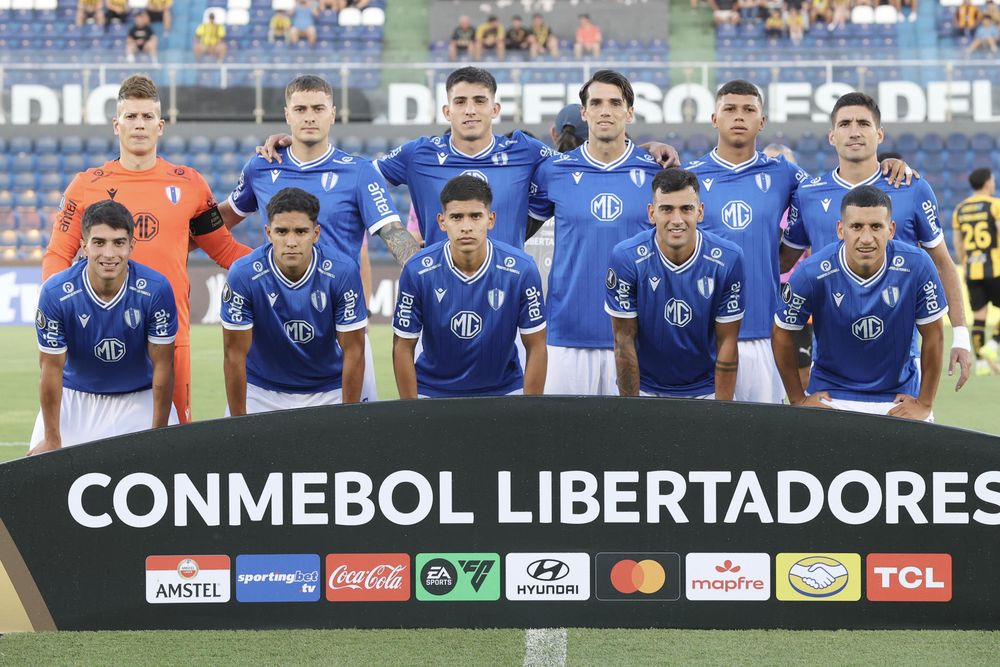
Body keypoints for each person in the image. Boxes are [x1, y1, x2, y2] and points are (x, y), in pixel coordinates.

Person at [684, 80, 913, 404]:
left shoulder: (786, 174)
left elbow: (838, 191)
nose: (739, 116)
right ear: (713, 118)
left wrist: (888, 167)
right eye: (729, 109)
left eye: (749, 110)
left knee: (766, 445)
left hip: (764, 334)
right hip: (703, 333)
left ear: (762, 122)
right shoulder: (689, 177)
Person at [42, 75, 252, 424]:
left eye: (146, 117)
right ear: (116, 125)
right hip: (97, 330)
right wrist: (57, 307)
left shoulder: (190, 184)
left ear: (161, 125)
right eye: (131, 116)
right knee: (89, 442)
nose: (139, 125)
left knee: (172, 445)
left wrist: (276, 264)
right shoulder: (85, 185)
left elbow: (225, 251)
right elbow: (57, 255)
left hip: (170, 334)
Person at [219, 74, 417, 403]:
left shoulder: (358, 172)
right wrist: (180, 230)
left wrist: (433, 270)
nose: (309, 116)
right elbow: (224, 216)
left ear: (333, 113)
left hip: (341, 327)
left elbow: (393, 234)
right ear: (287, 115)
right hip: (276, 325)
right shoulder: (261, 168)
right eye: (300, 109)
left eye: (318, 108)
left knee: (351, 444)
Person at [780, 92, 971, 391]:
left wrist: (961, 334)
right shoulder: (808, 194)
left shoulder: (911, 187)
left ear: (879, 133)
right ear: (831, 136)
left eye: (863, 123)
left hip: (901, 365)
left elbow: (942, 263)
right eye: (844, 124)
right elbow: (780, 263)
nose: (854, 131)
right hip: (830, 364)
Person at [528, 70, 663, 395]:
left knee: (636, 443)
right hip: (565, 339)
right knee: (563, 443)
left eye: (615, 103)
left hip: (638, 340)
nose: (606, 110)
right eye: (597, 103)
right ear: (584, 112)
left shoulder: (655, 172)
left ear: (629, 112)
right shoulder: (554, 172)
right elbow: (515, 232)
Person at [773, 186, 947, 421]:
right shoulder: (812, 272)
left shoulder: (917, 265)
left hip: (897, 399)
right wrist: (797, 399)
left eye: (876, 226)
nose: (866, 238)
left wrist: (925, 403)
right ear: (840, 229)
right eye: (856, 227)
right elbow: (782, 331)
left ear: (891, 229)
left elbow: (934, 334)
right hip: (830, 397)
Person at [30, 200, 177, 455]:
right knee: (45, 484)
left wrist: (159, 432)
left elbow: (163, 365)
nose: (109, 254)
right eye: (99, 243)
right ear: (84, 246)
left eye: (118, 242)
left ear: (132, 245)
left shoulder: (156, 289)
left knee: (165, 474)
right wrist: (52, 438)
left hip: (139, 397)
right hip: (75, 398)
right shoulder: (55, 293)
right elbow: (50, 369)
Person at [392, 176, 547, 398]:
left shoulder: (522, 269)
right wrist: (412, 412)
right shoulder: (417, 271)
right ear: (442, 221)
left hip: (503, 390)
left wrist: (529, 411)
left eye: (476, 216)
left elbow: (537, 345)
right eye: (456, 217)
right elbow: (402, 347)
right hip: (434, 391)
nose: (466, 227)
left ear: (491, 219)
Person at [221, 187, 367, 414]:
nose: (291, 242)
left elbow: (354, 351)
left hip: (328, 389)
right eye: (282, 232)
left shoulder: (342, 271)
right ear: (268, 233)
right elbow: (233, 355)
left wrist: (346, 417)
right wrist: (239, 422)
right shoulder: (244, 274)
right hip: (260, 391)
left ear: (316, 233)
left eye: (300, 232)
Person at [606, 168, 744, 399]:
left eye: (686, 209)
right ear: (651, 213)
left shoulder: (728, 259)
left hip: (706, 389)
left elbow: (727, 341)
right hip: (645, 387)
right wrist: (631, 409)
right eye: (666, 209)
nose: (677, 220)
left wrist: (722, 412)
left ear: (700, 212)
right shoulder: (626, 258)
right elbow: (623, 339)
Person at [952, 167, 1000, 374]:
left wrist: (965, 263)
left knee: (979, 316)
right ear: (988, 183)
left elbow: (957, 242)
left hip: (972, 269)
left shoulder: (960, 209)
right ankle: (994, 344)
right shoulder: (995, 205)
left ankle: (980, 365)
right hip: (996, 267)